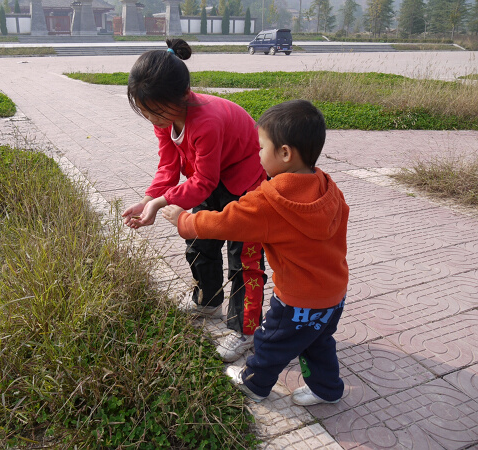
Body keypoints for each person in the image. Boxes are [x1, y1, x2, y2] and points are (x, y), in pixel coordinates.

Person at [161, 99, 349, 406]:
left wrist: (184, 220)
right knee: (317, 341)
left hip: (297, 300)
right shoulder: (328, 186)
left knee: (271, 341)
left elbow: (225, 221)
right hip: (334, 293)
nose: (257, 155)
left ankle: (255, 383)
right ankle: (327, 388)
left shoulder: (272, 199)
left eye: (261, 148)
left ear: (285, 153)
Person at [121, 38, 267, 363]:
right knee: (201, 238)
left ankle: (247, 329)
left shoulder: (206, 122)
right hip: (213, 178)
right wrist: (148, 199)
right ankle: (208, 300)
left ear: (183, 96)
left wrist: (159, 205)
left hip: (248, 182)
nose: (152, 119)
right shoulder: (167, 119)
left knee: (245, 257)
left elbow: (203, 182)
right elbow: (168, 166)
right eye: (145, 112)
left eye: (156, 112)